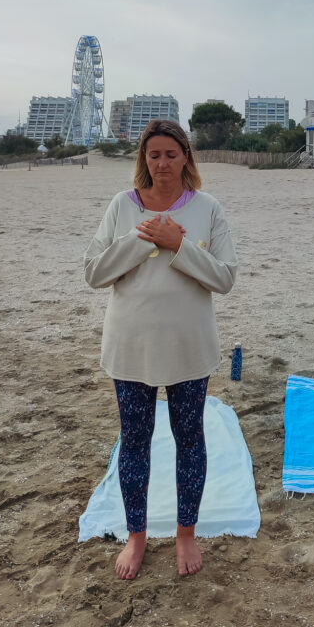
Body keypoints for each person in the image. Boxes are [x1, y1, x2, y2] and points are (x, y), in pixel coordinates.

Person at [84, 120, 237, 579]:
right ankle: (137, 535)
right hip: (131, 346)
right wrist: (140, 238)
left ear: (186, 156)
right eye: (154, 155)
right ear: (143, 160)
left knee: (190, 439)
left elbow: (225, 278)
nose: (163, 163)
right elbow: (94, 272)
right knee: (135, 441)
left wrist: (179, 244)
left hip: (189, 346)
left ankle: (186, 532)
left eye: (171, 154)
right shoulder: (121, 206)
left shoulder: (208, 208)